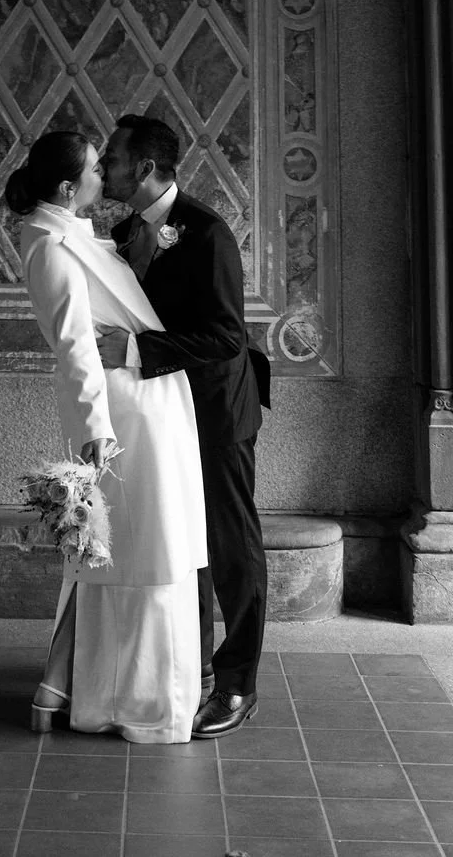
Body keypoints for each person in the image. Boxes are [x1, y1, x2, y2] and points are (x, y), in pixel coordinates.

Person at [5, 129, 207, 744]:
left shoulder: (73, 234)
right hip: (123, 415)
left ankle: (86, 688)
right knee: (140, 551)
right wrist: (95, 431)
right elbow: (73, 344)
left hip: (148, 400)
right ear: (70, 187)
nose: (105, 175)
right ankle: (135, 700)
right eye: (97, 168)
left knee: (148, 547)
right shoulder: (51, 245)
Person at [99, 114, 269, 739]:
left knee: (230, 548)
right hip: (160, 414)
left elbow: (227, 336)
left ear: (143, 169)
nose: (102, 168)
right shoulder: (123, 232)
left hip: (217, 410)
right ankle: (188, 668)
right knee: (180, 543)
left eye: (112, 158)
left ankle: (237, 686)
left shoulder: (206, 233)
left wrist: (138, 353)